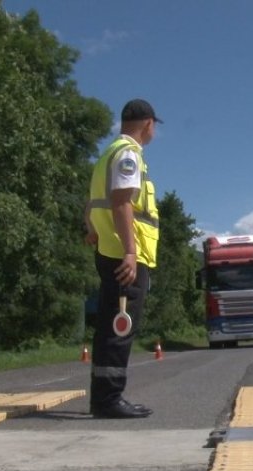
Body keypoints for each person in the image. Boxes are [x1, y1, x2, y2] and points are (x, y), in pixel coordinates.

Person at [85, 99, 162, 419]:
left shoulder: (108, 152)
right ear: (148, 124)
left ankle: (105, 398)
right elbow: (120, 202)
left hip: (109, 248)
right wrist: (131, 252)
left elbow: (91, 201)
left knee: (110, 326)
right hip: (124, 253)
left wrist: (90, 227)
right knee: (120, 327)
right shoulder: (129, 154)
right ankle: (108, 399)